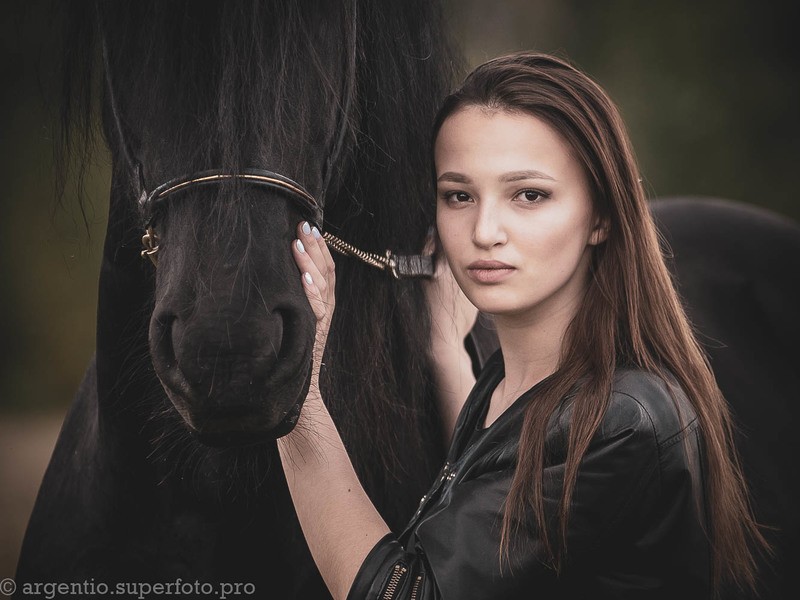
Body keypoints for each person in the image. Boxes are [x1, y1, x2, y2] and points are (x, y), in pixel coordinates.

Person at [279, 52, 766, 600]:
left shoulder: (617, 422)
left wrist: (295, 396)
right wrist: (446, 351)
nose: (485, 231)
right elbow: (502, 498)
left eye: (529, 195)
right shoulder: (511, 381)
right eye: (459, 196)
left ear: (601, 215)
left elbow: (404, 594)